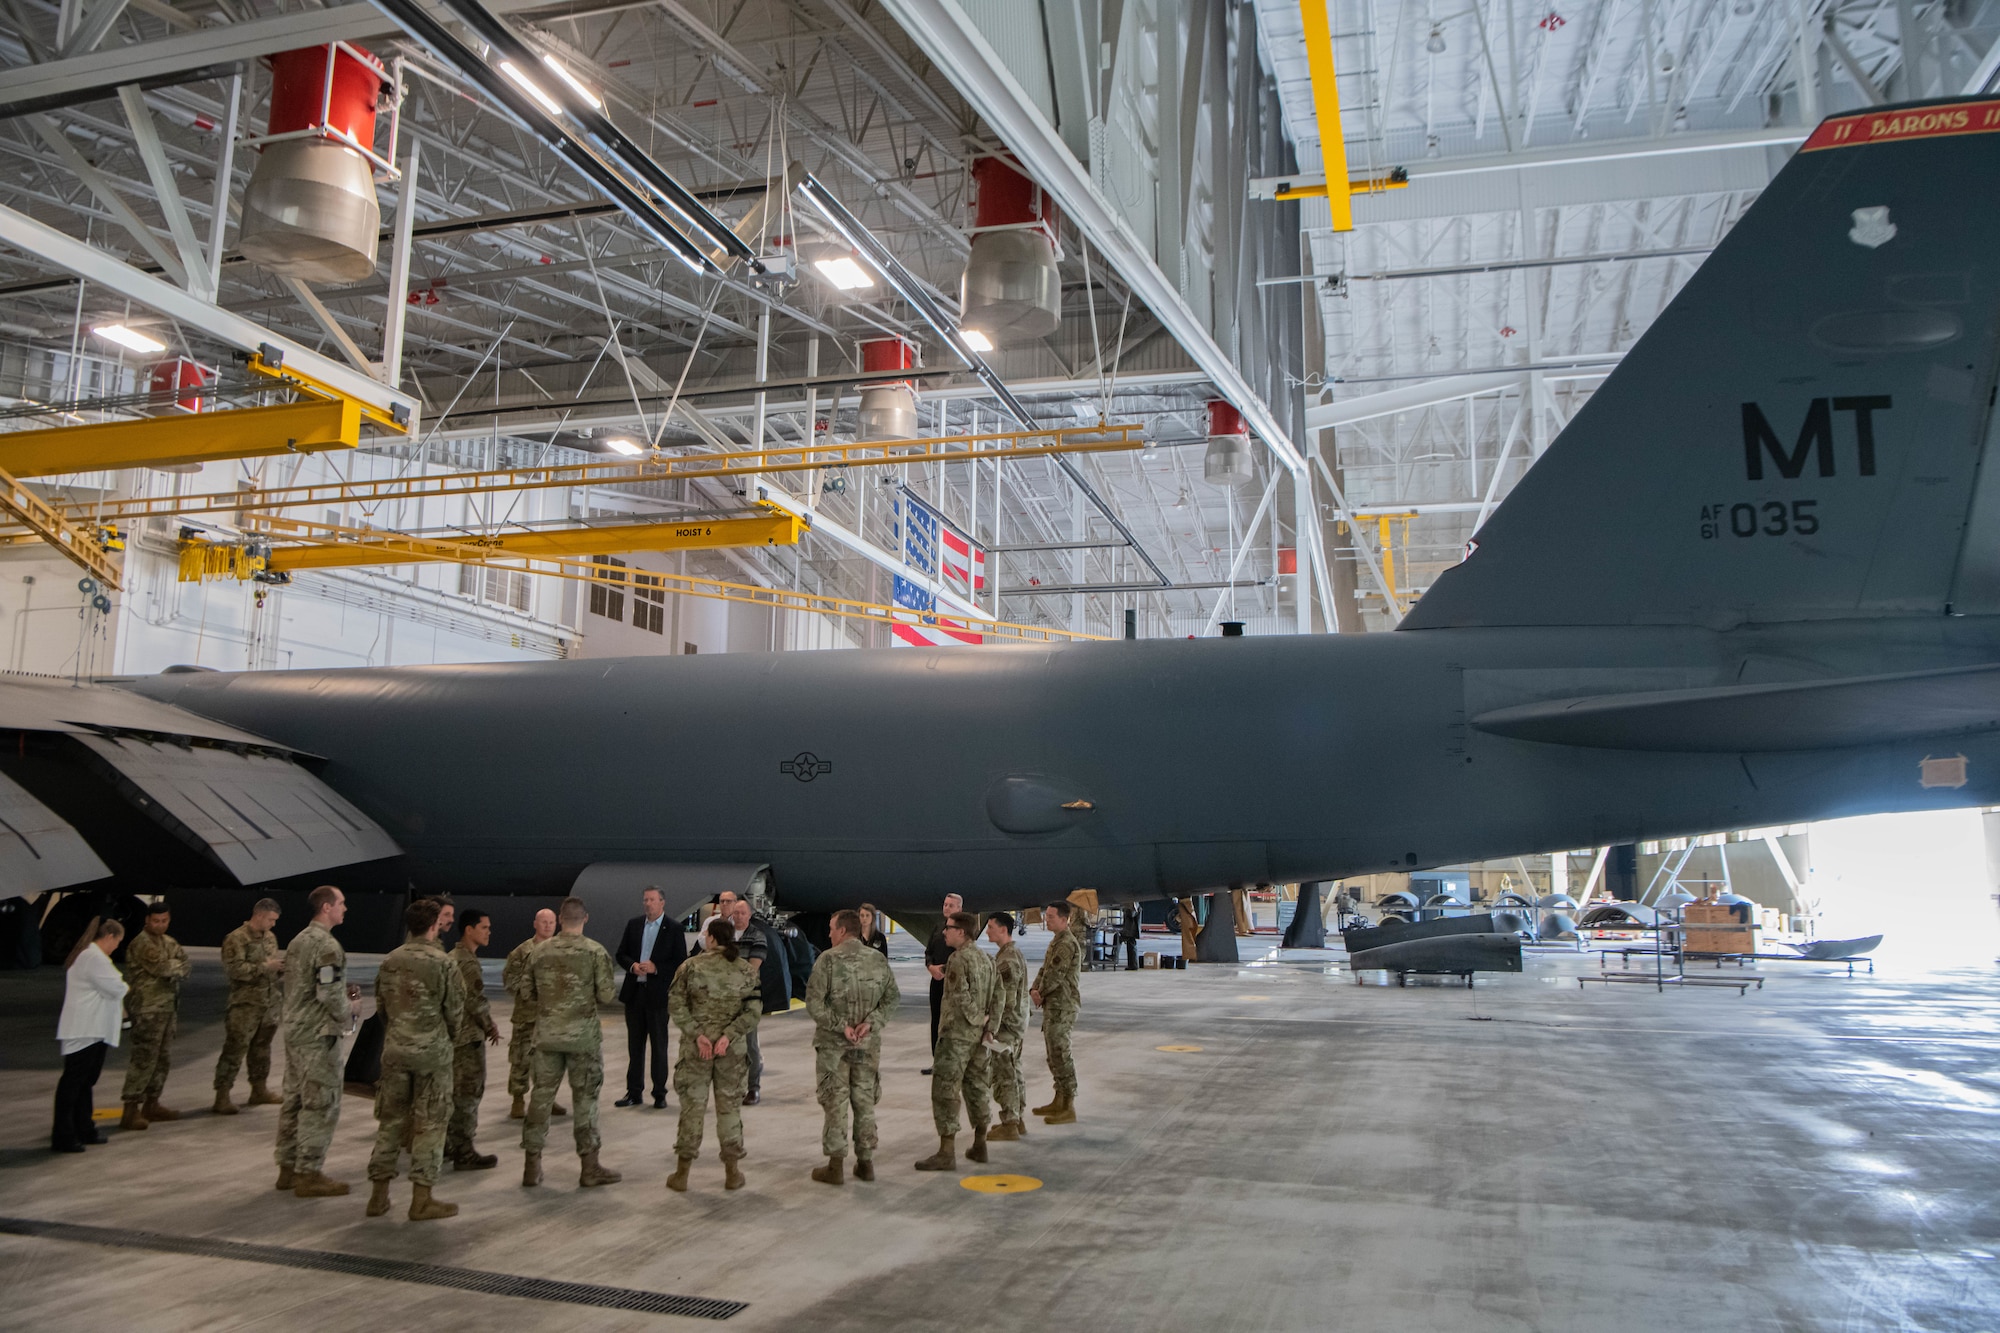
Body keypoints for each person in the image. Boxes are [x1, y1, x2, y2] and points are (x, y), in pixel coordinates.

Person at [365, 898, 467, 1221]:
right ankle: (421, 1200)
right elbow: (454, 1012)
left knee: (391, 1122)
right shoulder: (443, 963)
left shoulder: (390, 960)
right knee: (430, 1124)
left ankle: (378, 1197)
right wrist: (443, 1037)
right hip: (432, 1055)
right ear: (434, 925)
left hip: (395, 1051)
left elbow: (381, 1007)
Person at [519, 896, 621, 1189]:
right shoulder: (595, 952)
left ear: (561, 919)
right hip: (583, 1040)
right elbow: (605, 995)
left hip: (547, 1037)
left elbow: (526, 992)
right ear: (585, 919)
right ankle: (589, 1167)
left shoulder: (539, 951)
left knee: (540, 1098)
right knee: (585, 1101)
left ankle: (532, 1166)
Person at [803, 909, 899, 1185]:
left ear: (843, 931)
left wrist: (840, 1025)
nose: (829, 933)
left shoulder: (828, 960)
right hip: (867, 1045)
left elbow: (814, 1002)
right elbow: (892, 997)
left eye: (832, 928)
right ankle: (865, 1162)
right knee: (865, 1101)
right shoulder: (877, 959)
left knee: (835, 1101)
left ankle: (835, 1166)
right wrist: (871, 1023)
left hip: (835, 1046)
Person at [665, 918, 761, 1192]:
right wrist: (728, 1036)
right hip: (731, 1052)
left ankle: (682, 1174)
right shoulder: (745, 971)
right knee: (729, 1109)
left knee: (692, 1109)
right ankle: (732, 1173)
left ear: (710, 939)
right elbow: (753, 1012)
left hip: (697, 1050)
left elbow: (675, 1004)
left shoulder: (690, 967)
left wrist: (698, 1034)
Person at [276, 885, 358, 1198]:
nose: (345, 908)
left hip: (295, 1030)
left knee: (294, 1100)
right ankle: (308, 1172)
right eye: (341, 903)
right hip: (317, 1035)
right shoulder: (327, 946)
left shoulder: (299, 940)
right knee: (321, 1102)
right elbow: (329, 993)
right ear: (326, 907)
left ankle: (287, 1168)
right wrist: (349, 1011)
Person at [915, 911, 998, 1172]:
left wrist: (977, 1019)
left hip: (956, 1037)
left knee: (945, 1092)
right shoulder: (987, 958)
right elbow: (999, 994)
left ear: (961, 932)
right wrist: (989, 1025)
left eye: (949, 928)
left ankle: (946, 1152)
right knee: (977, 1087)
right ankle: (980, 1144)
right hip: (978, 1038)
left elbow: (961, 996)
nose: (944, 932)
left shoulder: (957, 959)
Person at [53, 918, 127, 1153]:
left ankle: (84, 1128)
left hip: (91, 1030)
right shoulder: (93, 957)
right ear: (109, 937)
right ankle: (64, 1135)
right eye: (117, 942)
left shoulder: (91, 956)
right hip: (85, 1030)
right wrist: (123, 985)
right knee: (74, 1083)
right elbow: (118, 987)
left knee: (84, 1083)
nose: (117, 946)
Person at [119, 900, 190, 1130]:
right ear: (147, 921)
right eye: (156, 921)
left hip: (168, 1008)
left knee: (162, 1059)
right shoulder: (141, 943)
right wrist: (173, 966)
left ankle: (152, 1103)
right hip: (148, 1009)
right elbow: (161, 968)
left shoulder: (169, 942)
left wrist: (174, 966)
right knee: (144, 1059)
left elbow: (186, 965)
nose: (160, 925)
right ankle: (131, 1109)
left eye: (164, 921)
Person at [615, 886, 687, 1110]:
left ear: (662, 902)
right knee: (634, 1047)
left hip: (658, 996)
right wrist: (632, 966)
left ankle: (659, 1093)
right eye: (645, 900)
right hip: (634, 994)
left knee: (659, 1046)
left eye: (652, 900)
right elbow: (621, 954)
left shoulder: (673, 928)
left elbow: (680, 962)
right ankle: (634, 1092)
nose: (648, 904)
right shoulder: (634, 924)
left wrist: (656, 968)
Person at [213, 898, 285, 1116]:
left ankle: (259, 1089)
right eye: (271, 919)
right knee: (235, 1049)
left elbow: (270, 967)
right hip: (245, 1005)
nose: (273, 924)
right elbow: (235, 970)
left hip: (268, 1004)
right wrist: (266, 967)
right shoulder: (236, 939)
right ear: (260, 915)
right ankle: (222, 1095)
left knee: (262, 1049)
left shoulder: (270, 938)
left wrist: (280, 968)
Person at [445, 909, 502, 1169]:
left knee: (453, 1093)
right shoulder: (466, 962)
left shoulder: (451, 957)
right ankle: (464, 1152)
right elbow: (475, 1001)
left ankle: (449, 1145)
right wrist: (489, 1025)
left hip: (453, 1037)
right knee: (468, 1095)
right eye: (484, 927)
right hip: (467, 1039)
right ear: (469, 930)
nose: (488, 932)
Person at [502, 909, 566, 1120]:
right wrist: (532, 991)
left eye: (551, 922)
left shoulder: (560, 950)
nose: (548, 926)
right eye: (544, 922)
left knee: (549, 1061)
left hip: (551, 1018)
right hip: (526, 1016)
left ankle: (546, 1098)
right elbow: (510, 982)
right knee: (520, 1059)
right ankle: (518, 1099)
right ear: (535, 924)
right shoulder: (522, 952)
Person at [1031, 900, 1083, 1125]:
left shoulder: (1066, 943)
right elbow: (1045, 969)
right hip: (1053, 1005)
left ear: (1064, 919)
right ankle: (1059, 1098)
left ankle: (1068, 1105)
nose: (1046, 919)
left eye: (1051, 916)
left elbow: (1056, 974)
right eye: (1047, 915)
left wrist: (1039, 992)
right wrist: (1034, 988)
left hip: (1063, 1005)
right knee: (1053, 1054)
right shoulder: (1056, 941)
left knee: (1061, 1053)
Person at [984, 912, 1031, 1142]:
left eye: (991, 927)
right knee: (1015, 1069)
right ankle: (1018, 1119)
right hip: (1017, 1024)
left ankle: (1010, 1122)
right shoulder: (1012, 954)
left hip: (1007, 1026)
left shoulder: (1007, 960)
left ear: (1003, 930)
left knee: (1005, 1073)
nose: (987, 931)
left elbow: (1006, 999)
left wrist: (990, 1023)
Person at [725, 898, 775, 1105]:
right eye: (735, 913)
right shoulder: (725, 936)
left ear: (749, 915)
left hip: (748, 999)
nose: (738, 916)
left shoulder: (757, 936)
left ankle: (753, 1088)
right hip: (726, 1000)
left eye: (742, 913)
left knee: (750, 1045)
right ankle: (733, 1086)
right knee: (728, 1045)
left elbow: (751, 969)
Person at [922, 892, 963, 1075]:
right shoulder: (938, 927)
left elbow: (963, 956)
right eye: (945, 905)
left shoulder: (963, 931)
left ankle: (954, 1062)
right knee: (936, 1021)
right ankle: (937, 1060)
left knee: (953, 1022)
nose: (946, 908)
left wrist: (945, 970)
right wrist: (931, 967)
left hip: (954, 984)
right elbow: (928, 951)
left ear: (959, 909)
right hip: (936, 981)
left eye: (950, 905)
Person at [1120, 905, 1141, 972]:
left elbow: (1132, 914)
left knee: (1132, 948)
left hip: (1131, 930)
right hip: (1130, 929)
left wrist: (1126, 909)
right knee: (1130, 948)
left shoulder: (1135, 905)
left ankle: (1133, 965)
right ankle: (1132, 965)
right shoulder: (1133, 905)